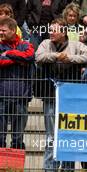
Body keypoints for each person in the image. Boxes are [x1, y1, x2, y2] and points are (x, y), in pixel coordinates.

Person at [35, 18, 87, 172]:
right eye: (51, 29)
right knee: (51, 136)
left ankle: (68, 168)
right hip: (50, 97)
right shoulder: (45, 44)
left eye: (54, 30)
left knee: (69, 135)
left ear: (63, 32)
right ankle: (50, 169)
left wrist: (71, 58)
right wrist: (56, 56)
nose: (51, 32)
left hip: (71, 98)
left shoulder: (76, 45)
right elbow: (38, 57)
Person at [0, 17, 34, 150]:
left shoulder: (25, 44)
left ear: (13, 30)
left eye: (3, 30)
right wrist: (17, 60)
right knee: (0, 137)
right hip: (2, 97)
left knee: (18, 138)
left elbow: (30, 56)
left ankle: (15, 167)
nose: (1, 33)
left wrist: (9, 53)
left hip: (21, 98)